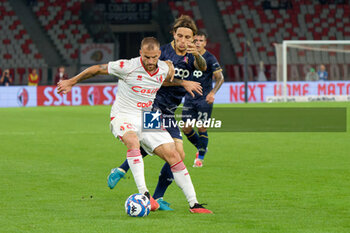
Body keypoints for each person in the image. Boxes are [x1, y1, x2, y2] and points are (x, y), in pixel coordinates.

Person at [57, 37, 212, 214]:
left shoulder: (165, 67)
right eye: (147, 57)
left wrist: (183, 82)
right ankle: (145, 195)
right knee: (132, 141)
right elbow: (96, 69)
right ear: (140, 53)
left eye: (154, 57)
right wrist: (71, 81)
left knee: (174, 155)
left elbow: (165, 79)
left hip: (149, 116)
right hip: (124, 115)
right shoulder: (127, 66)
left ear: (159, 55)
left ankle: (194, 204)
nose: (151, 61)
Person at [107, 15, 208, 211]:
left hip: (169, 109)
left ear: (193, 38)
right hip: (155, 106)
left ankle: (122, 170)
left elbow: (203, 68)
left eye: (188, 37)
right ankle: (157, 197)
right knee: (174, 151)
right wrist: (183, 82)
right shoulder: (161, 54)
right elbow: (153, 78)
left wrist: (197, 55)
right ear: (174, 34)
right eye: (180, 36)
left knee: (158, 146)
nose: (183, 41)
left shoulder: (193, 54)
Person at [182, 30, 224, 168]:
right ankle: (201, 147)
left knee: (201, 127)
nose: (198, 43)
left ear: (205, 43)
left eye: (201, 41)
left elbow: (220, 78)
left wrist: (212, 93)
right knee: (186, 128)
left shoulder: (210, 58)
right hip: (189, 98)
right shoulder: (187, 56)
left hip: (204, 99)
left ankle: (200, 157)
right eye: (195, 40)